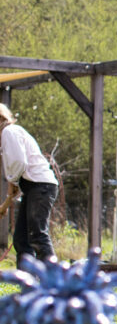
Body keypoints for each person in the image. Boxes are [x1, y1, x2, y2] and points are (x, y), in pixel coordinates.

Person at [0, 104, 59, 265]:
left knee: (37, 236)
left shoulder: (9, 132)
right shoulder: (9, 134)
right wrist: (8, 198)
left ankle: (53, 280)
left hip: (41, 186)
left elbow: (19, 162)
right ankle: (28, 282)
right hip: (34, 186)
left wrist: (12, 181)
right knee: (21, 239)